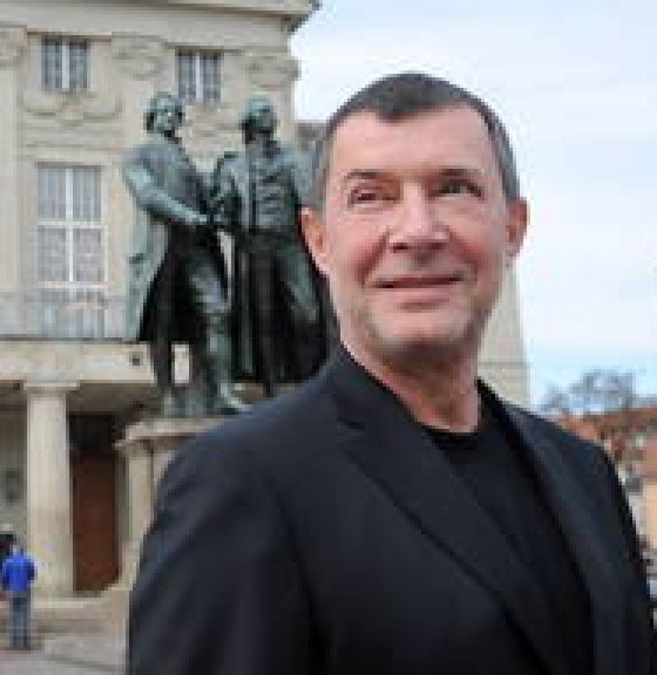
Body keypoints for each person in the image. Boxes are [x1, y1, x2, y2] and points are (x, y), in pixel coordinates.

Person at [128, 73, 654, 674]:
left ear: (513, 228)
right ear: (319, 242)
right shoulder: (239, 482)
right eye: (370, 196)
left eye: (454, 188)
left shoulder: (584, 473)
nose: (417, 232)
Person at [122, 91, 247, 417]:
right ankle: (167, 395)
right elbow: (148, 196)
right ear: (151, 117)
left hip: (195, 248)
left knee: (217, 313)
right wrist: (190, 217)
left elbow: (206, 201)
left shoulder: (187, 161)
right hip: (159, 248)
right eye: (163, 112)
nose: (170, 117)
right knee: (160, 325)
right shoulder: (139, 154)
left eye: (175, 112)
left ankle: (222, 391)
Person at [211, 94, 329, 396]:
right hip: (253, 246)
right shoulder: (232, 165)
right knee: (263, 319)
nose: (271, 116)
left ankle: (309, 379)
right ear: (250, 121)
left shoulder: (292, 158)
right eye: (263, 112)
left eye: (271, 112)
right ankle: (272, 387)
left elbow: (310, 199)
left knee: (308, 313)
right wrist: (222, 213)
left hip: (290, 243)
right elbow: (223, 208)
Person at [0, 543, 36, 650]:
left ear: (13, 551)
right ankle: (24, 643)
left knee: (13, 617)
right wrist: (26, 581)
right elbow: (32, 574)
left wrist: (5, 587)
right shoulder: (27, 560)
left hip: (12, 590)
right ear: (22, 551)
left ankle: (14, 643)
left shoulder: (8, 561)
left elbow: (4, 577)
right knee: (24, 616)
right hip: (24, 589)